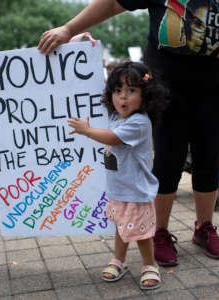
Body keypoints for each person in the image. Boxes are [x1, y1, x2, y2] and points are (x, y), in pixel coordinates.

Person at [38, 0, 219, 266]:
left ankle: (205, 228)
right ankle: (159, 233)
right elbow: (113, 5)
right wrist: (68, 28)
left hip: (215, 83)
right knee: (168, 158)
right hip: (165, 83)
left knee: (210, 156)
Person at [68, 62, 167, 290]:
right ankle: (119, 260)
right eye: (117, 91)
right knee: (121, 227)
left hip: (136, 191)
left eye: (131, 91)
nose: (123, 97)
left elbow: (112, 139)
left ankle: (149, 264)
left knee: (141, 233)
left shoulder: (139, 123)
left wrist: (86, 130)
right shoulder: (117, 118)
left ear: (145, 95)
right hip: (119, 190)